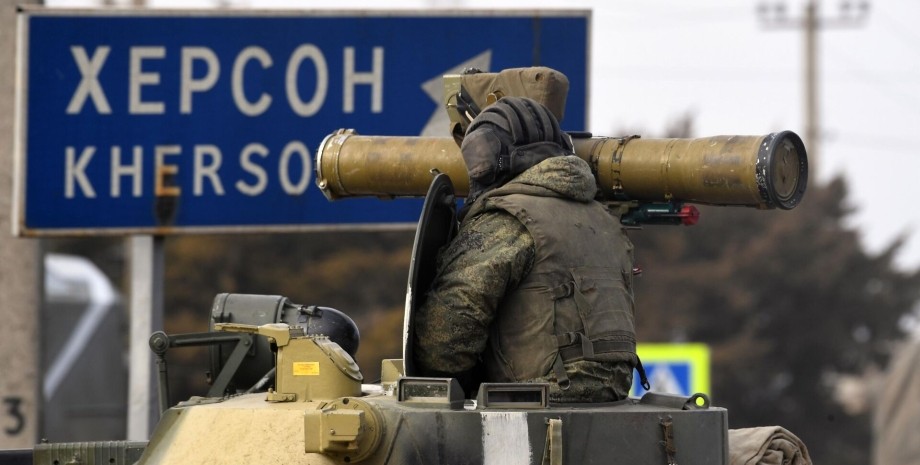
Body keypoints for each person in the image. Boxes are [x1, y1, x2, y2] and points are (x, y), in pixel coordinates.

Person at [413, 96, 642, 403]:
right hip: (611, 403)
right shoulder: (606, 222)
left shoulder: (509, 220)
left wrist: (467, 386)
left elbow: (442, 340)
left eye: (481, 156)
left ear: (502, 156)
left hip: (530, 409)